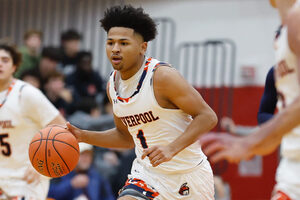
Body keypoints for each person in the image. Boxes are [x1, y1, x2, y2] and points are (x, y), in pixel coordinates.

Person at [66, 5, 218, 200]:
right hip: (147, 175)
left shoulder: (162, 77)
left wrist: (171, 148)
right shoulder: (112, 84)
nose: (115, 49)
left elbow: (208, 117)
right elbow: (125, 137)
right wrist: (83, 136)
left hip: (188, 176)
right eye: (110, 43)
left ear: (142, 47)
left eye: (124, 43)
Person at [200, 0, 300, 199]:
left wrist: (249, 142)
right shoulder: (283, 33)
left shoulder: (296, 18)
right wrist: (247, 139)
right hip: (291, 164)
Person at [0, 43, 65, 199]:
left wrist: (42, 163)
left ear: (15, 66)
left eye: (5, 60)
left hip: (27, 180)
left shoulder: (26, 93)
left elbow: (62, 127)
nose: (0, 64)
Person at [47, 143, 115, 200]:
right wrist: (71, 184)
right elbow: (49, 194)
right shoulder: (60, 173)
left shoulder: (97, 176)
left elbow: (108, 197)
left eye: (88, 155)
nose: (86, 159)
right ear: (73, 157)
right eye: (82, 155)